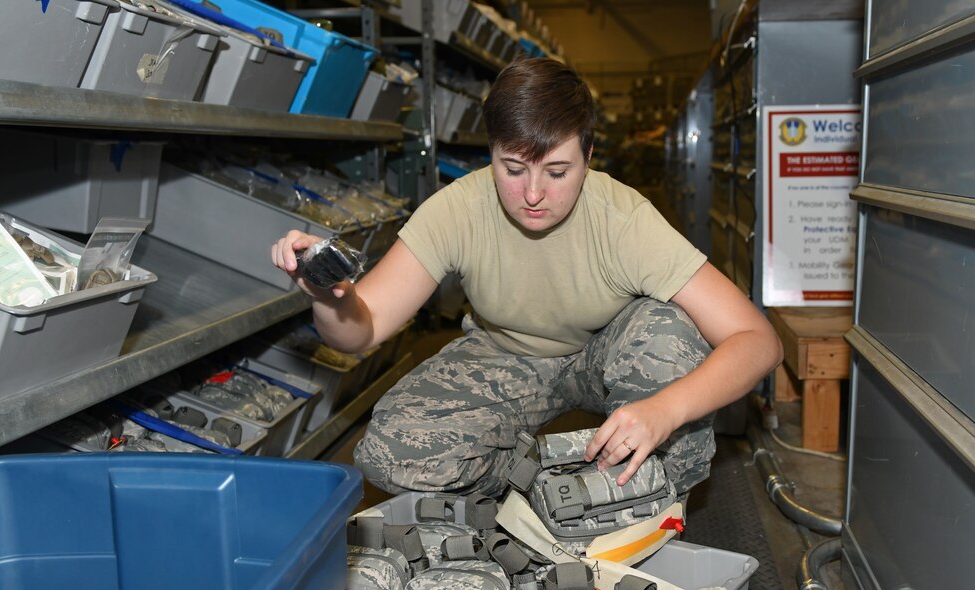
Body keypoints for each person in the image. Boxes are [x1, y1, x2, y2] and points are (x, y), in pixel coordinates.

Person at [271, 57, 782, 498]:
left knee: (668, 335)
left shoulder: (623, 220)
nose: (533, 193)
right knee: (390, 451)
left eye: (557, 172)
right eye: (513, 169)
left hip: (606, 352)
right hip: (507, 355)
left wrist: (664, 411)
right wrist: (328, 295)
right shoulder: (459, 208)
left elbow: (757, 341)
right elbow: (361, 331)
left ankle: (639, 510)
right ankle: (545, 490)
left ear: (588, 158)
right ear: (490, 152)